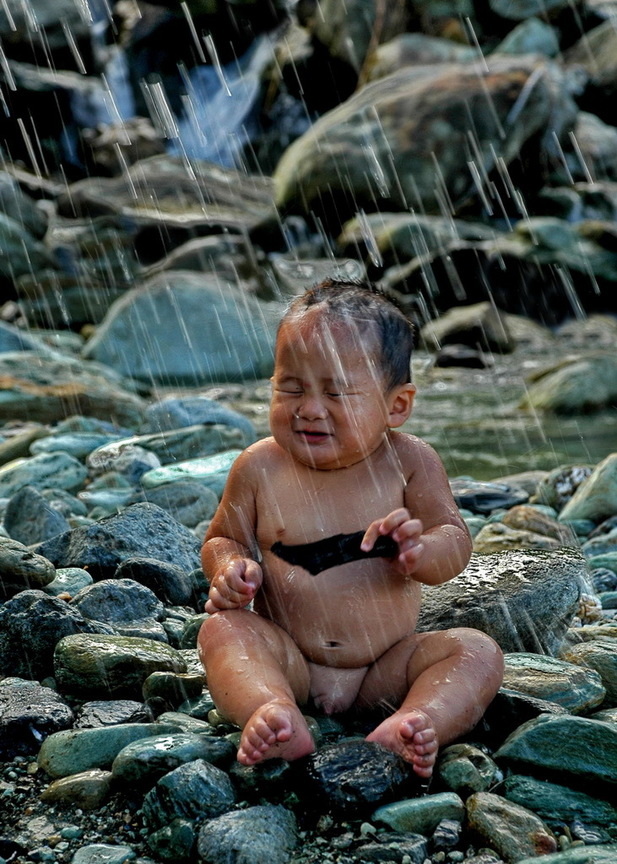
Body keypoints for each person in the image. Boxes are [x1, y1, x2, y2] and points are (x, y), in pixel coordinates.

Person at [198, 279, 504, 779]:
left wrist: (420, 550)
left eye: (336, 392)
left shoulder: (410, 463)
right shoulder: (259, 467)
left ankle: (416, 720)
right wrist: (230, 568)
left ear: (396, 406)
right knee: (223, 629)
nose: (309, 408)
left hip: (385, 668)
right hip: (289, 658)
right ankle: (272, 710)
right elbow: (222, 538)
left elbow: (454, 542)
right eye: (290, 387)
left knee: (476, 651)